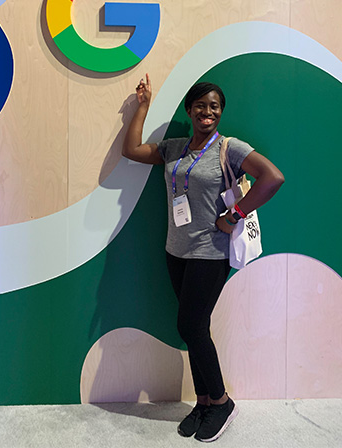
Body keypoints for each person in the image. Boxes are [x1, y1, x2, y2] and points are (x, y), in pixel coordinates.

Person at [122, 74, 284, 442]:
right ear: (189, 110)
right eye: (200, 105)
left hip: (210, 253)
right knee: (197, 329)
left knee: (190, 327)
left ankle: (223, 402)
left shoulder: (230, 148)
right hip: (175, 251)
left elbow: (272, 178)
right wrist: (142, 107)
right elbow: (130, 150)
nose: (206, 111)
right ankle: (203, 402)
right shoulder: (174, 148)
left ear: (220, 112)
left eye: (214, 106)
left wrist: (235, 215)